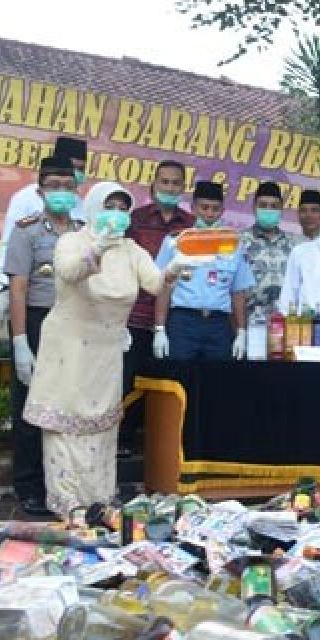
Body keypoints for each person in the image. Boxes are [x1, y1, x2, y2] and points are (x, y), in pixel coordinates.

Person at [23, 182, 167, 515]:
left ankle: (98, 502)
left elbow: (154, 283)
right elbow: (70, 272)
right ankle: (68, 503)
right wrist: (97, 250)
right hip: (69, 347)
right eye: (108, 207)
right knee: (64, 422)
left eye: (121, 209)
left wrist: (175, 269)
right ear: (92, 209)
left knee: (101, 426)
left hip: (106, 351)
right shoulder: (71, 241)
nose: (115, 215)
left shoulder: (131, 249)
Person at [3, 157, 81, 517]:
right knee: (31, 409)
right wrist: (20, 341)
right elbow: (18, 288)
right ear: (40, 191)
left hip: (72, 326)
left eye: (67, 186)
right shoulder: (27, 230)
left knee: (66, 407)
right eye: (54, 186)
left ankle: (61, 484)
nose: (61, 193)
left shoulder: (83, 232)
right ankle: (29, 487)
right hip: (35, 322)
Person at [120, 160, 194, 453]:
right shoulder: (134, 220)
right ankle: (124, 440)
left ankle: (158, 442)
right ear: (153, 184)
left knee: (165, 382)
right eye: (165, 182)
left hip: (173, 317)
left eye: (176, 183)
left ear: (183, 188)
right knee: (130, 379)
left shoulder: (189, 226)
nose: (170, 188)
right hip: (136, 314)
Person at [0, 137, 87, 330]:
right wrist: (3, 287)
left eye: (81, 169)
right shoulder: (25, 197)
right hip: (30, 294)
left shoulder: (78, 202)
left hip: (66, 301)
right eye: (73, 166)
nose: (77, 173)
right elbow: (9, 243)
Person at [153, 181, 255, 361]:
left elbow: (238, 292)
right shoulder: (176, 241)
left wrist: (241, 332)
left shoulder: (233, 244)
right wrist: (160, 329)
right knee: (180, 380)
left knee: (217, 383)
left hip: (219, 324)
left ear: (222, 211)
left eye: (215, 209)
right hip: (183, 322)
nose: (209, 214)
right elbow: (164, 287)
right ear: (193, 208)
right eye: (204, 207)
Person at [240, 180, 294, 315]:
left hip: (286, 322)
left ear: (281, 209)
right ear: (254, 208)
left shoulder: (294, 244)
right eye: (263, 205)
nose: (268, 210)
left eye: (274, 206)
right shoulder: (240, 241)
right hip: (250, 320)